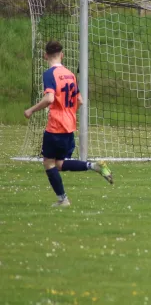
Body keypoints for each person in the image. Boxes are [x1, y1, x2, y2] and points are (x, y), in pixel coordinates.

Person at [24, 40, 113, 207]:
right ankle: (94, 166)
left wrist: (31, 110)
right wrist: (70, 112)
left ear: (45, 56)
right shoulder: (70, 74)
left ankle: (63, 199)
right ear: (62, 55)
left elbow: (49, 98)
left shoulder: (49, 74)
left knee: (49, 163)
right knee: (59, 163)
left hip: (56, 125)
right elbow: (79, 100)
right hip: (70, 125)